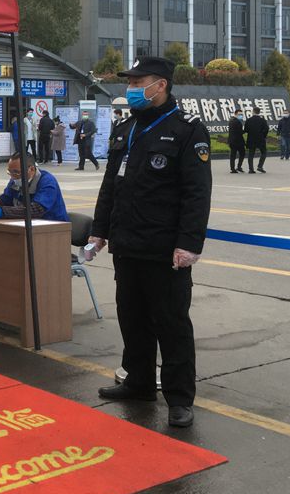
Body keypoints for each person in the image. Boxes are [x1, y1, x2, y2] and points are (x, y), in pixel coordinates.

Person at [89, 56, 212, 428]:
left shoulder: (187, 129)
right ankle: (139, 382)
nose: (131, 88)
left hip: (165, 249)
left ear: (160, 85)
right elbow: (110, 185)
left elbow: (197, 193)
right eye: (129, 82)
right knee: (133, 319)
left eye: (137, 82)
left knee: (172, 325)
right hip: (127, 244)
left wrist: (189, 244)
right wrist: (100, 230)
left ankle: (179, 398)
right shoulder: (126, 128)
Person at [0, 153, 69, 222]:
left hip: (53, 227)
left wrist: (2, 212)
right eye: (10, 172)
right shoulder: (15, 180)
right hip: (25, 225)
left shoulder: (47, 181)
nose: (13, 177)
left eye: (16, 172)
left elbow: (36, 210)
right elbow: (5, 200)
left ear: (31, 169)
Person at [245, 106, 270, 174]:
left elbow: (246, 130)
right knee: (264, 153)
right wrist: (263, 136)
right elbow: (266, 129)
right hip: (260, 139)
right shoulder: (263, 120)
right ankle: (260, 166)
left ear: (253, 111)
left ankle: (251, 169)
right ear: (259, 112)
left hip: (251, 139)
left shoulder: (249, 120)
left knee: (251, 154)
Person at [228, 109, 246, 173]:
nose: (241, 116)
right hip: (237, 141)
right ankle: (238, 167)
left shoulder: (231, 120)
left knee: (233, 155)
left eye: (241, 114)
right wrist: (245, 130)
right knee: (242, 153)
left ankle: (233, 168)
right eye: (239, 114)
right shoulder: (237, 122)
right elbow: (239, 132)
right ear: (235, 114)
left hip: (232, 140)